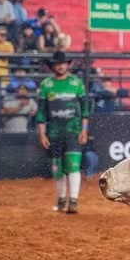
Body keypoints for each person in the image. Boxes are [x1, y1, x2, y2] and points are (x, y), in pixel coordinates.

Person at [36, 51, 89, 214]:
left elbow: (85, 109)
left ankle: (73, 201)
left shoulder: (77, 84)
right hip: (53, 133)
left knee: (73, 166)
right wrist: (42, 134)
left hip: (73, 131)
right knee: (58, 170)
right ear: (52, 66)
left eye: (63, 63)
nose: (60, 66)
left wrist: (84, 130)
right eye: (57, 63)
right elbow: (40, 113)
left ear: (68, 64)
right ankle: (61, 201)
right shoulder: (46, 85)